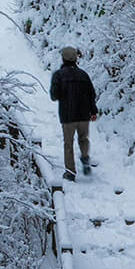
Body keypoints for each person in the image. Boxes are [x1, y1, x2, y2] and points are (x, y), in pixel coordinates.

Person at [49, 45, 98, 180]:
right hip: (83, 115)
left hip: (67, 115)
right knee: (83, 139)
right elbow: (91, 94)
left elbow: (54, 96)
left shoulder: (58, 75)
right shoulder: (83, 75)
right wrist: (93, 111)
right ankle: (85, 157)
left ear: (63, 59)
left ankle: (70, 172)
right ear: (76, 59)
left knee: (68, 143)